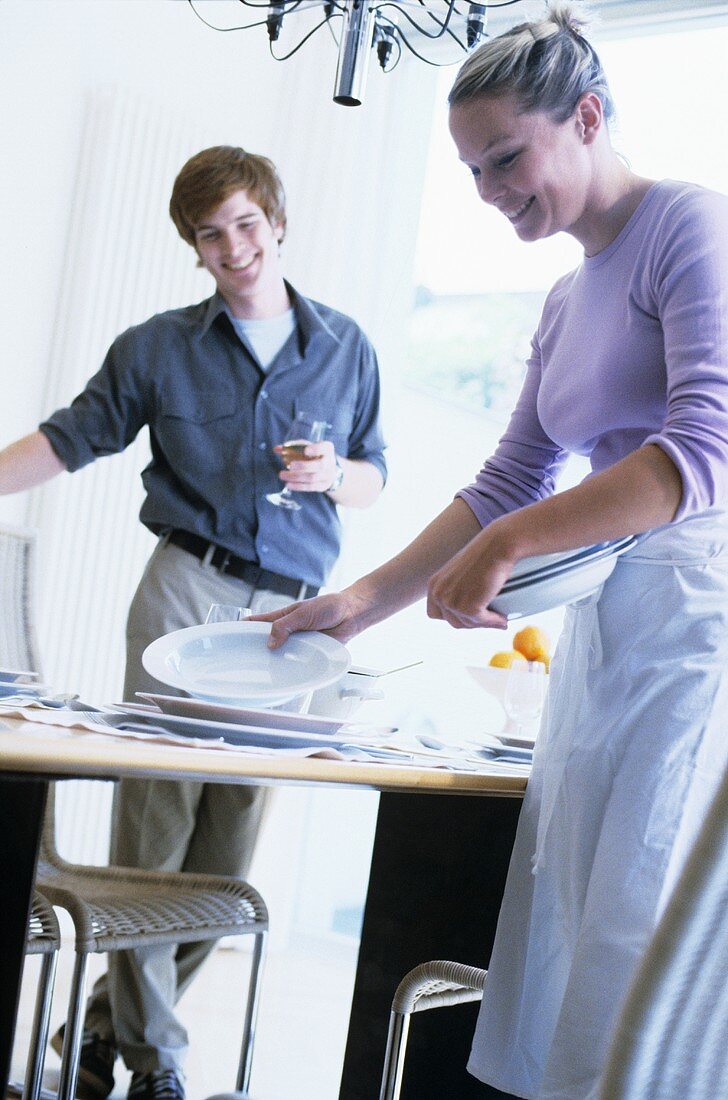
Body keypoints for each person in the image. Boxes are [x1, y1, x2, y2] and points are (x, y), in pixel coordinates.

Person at [253, 4, 728, 1097]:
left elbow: (701, 450)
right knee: (566, 930)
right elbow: (511, 476)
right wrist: (358, 600)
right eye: (471, 170)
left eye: (505, 156)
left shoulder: (687, 229)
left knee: (636, 937)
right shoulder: (565, 298)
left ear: (588, 116)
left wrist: (513, 541)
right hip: (609, 632)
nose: (489, 189)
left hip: (698, 623)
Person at [0, 145, 386, 1100]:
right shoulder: (156, 347)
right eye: (212, 235)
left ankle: (101, 1032)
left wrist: (337, 476)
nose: (234, 247)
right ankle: (159, 1058)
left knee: (229, 852)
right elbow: (69, 437)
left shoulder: (346, 349)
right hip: (183, 589)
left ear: (278, 222)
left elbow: (377, 475)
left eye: (247, 224)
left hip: (291, 620)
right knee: (157, 825)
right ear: (195, 249)